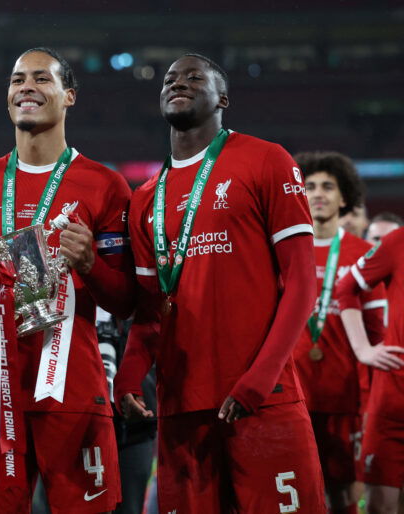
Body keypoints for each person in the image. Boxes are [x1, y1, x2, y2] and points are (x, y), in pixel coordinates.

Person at [0, 47, 133, 513]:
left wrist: (89, 266)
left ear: (69, 96)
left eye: (41, 79)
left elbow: (124, 302)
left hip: (73, 389)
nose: (26, 88)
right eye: (17, 80)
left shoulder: (105, 185)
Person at [114, 53, 325, 513]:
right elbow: (152, 307)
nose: (178, 82)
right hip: (181, 408)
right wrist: (129, 376)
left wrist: (260, 380)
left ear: (223, 98)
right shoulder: (146, 196)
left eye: (194, 77)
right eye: (170, 78)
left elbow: (303, 283)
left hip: (262, 399)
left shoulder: (266, 159)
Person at [292, 151, 388, 513]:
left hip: (347, 397)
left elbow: (378, 333)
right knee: (295, 490)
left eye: (327, 187)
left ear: (344, 196)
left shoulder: (365, 255)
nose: (318, 194)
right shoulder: (282, 252)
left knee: (344, 493)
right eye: (310, 186)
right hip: (293, 397)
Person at [337, 229, 404, 514]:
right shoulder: (397, 241)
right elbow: (345, 287)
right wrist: (362, 349)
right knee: (380, 507)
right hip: (393, 401)